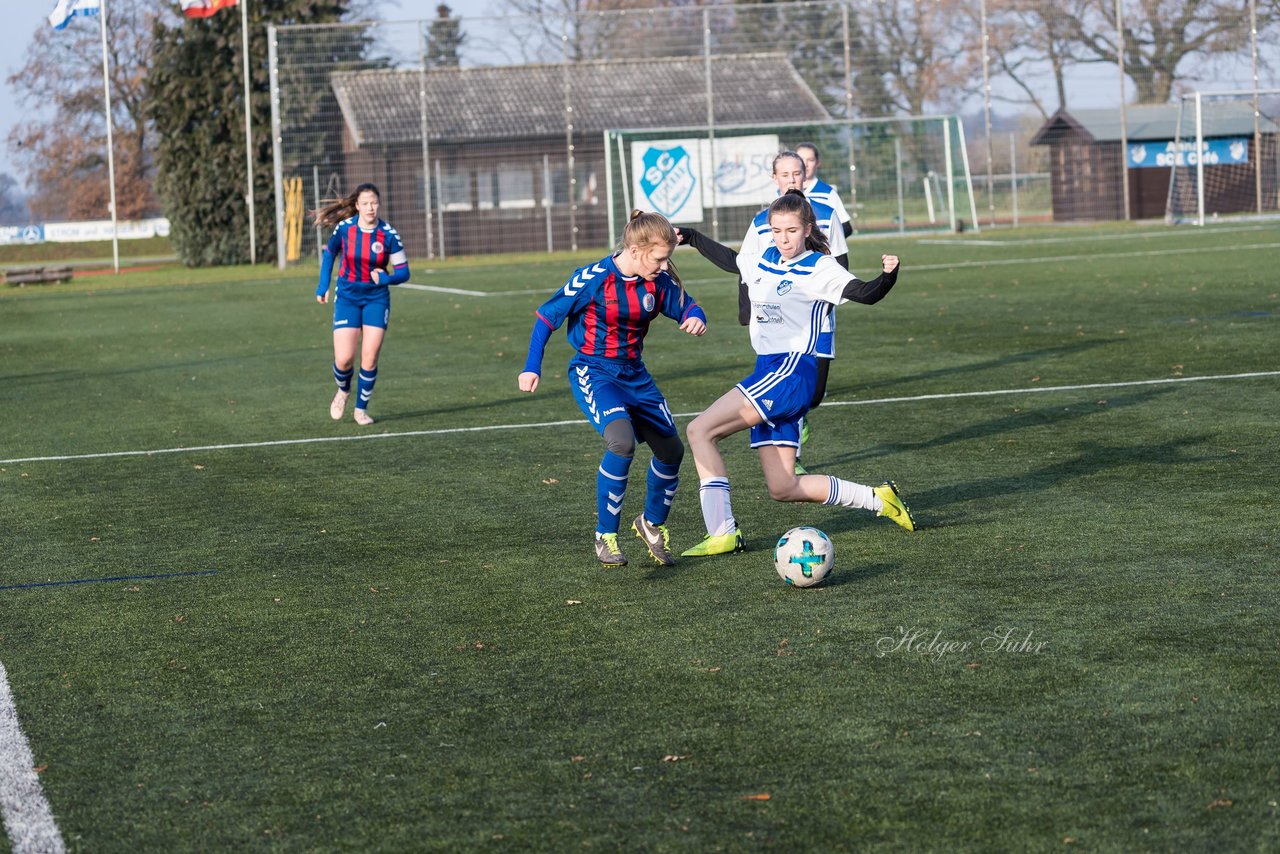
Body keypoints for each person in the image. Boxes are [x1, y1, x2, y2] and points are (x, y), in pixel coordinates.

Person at [676, 189, 915, 557]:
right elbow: (731, 259)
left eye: (790, 230)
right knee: (783, 486)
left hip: (792, 370)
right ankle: (878, 499)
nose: (782, 238)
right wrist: (691, 236)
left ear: (806, 228)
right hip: (769, 369)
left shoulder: (820, 267)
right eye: (775, 231)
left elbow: (865, 293)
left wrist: (889, 276)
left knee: (699, 430)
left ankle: (722, 532)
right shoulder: (764, 258)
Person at [519, 211, 708, 568]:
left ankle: (651, 524)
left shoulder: (656, 279)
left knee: (671, 451)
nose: (665, 265)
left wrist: (695, 316)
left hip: (636, 375)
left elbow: (688, 304)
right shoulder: (593, 278)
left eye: (668, 257)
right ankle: (605, 535)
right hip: (594, 372)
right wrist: (532, 366)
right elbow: (547, 316)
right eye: (659, 257)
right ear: (636, 250)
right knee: (620, 442)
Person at [313, 183, 410, 426]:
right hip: (347, 297)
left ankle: (361, 410)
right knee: (344, 359)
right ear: (357, 205)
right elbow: (329, 254)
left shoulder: (388, 233)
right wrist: (322, 286)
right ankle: (343, 391)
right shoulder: (345, 229)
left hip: (376, 298)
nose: (370, 207)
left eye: (374, 203)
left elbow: (404, 272)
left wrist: (387, 278)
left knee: (369, 357)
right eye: (365, 203)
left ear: (379, 204)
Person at [795, 141, 854, 239]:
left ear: (818, 162)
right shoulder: (783, 191)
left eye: (810, 160)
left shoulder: (827, 193)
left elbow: (846, 227)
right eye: (801, 159)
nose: (805, 164)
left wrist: (822, 244)